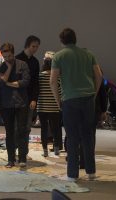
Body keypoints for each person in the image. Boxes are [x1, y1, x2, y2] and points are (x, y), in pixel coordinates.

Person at [50, 28, 102, 181]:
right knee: (88, 136)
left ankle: (72, 175)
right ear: (75, 39)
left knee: (72, 138)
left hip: (69, 100)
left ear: (61, 41)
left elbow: (53, 81)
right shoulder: (89, 54)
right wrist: (94, 93)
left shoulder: (58, 56)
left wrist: (57, 99)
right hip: (88, 99)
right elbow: (98, 76)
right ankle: (91, 172)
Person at [0, 43, 30, 168]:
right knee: (9, 132)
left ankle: (22, 158)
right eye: (5, 57)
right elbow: (1, 82)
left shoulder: (23, 64)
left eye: (9, 56)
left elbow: (25, 82)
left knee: (22, 131)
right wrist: (9, 68)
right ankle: (11, 159)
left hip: (21, 103)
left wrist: (9, 83)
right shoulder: (1, 67)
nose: (7, 58)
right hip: (6, 103)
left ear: (13, 53)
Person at [15, 35, 40, 158]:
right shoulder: (17, 59)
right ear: (27, 45)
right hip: (18, 98)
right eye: (33, 46)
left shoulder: (35, 62)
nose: (35, 49)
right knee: (17, 127)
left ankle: (23, 152)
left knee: (27, 127)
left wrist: (34, 98)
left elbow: (36, 82)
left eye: (37, 47)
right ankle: (17, 148)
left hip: (30, 98)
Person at [37, 51, 62, 157]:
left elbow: (37, 91)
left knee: (44, 129)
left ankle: (45, 151)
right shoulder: (57, 76)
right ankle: (56, 149)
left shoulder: (40, 76)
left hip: (42, 107)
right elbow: (60, 91)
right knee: (55, 128)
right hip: (55, 107)